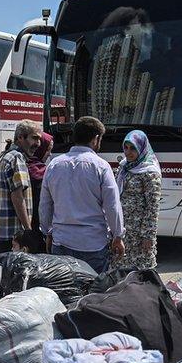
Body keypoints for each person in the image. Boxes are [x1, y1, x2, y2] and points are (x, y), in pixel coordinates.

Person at [39, 116, 124, 273]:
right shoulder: (101, 167)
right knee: (93, 293)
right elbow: (112, 206)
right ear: (95, 139)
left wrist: (48, 231)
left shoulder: (54, 165)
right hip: (93, 244)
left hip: (61, 243)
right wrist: (118, 235)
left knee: (65, 292)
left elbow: (45, 205)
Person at [113, 130, 162, 270]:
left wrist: (148, 236)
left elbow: (153, 207)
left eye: (133, 148)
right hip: (123, 230)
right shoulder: (124, 167)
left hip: (139, 234)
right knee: (119, 271)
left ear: (142, 148)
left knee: (140, 275)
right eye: (126, 148)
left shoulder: (150, 172)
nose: (128, 152)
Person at [0, 120, 41, 254]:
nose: (38, 144)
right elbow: (18, 197)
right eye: (34, 138)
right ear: (20, 137)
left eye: (39, 139)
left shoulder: (5, 157)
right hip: (12, 234)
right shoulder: (17, 158)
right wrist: (28, 230)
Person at [27, 131, 53, 250]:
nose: (50, 154)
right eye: (48, 150)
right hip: (36, 230)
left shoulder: (26, 165)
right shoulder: (41, 173)